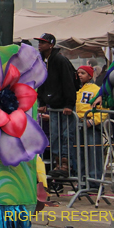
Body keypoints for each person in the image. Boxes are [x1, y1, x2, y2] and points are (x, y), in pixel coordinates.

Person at [35, 33, 77, 177]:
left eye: (43, 42)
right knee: (55, 135)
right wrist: (43, 102)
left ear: (51, 45)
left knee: (66, 134)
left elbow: (68, 82)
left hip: (64, 106)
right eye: (39, 42)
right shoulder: (44, 61)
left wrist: (69, 105)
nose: (39, 44)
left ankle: (65, 165)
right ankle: (58, 163)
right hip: (53, 106)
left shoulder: (59, 60)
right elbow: (42, 83)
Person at [75, 65, 106, 186]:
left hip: (91, 125)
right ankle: (83, 179)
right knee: (80, 153)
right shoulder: (78, 90)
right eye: (78, 73)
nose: (80, 75)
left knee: (93, 153)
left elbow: (103, 109)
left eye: (83, 73)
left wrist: (93, 121)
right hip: (79, 123)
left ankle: (95, 181)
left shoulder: (96, 89)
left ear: (90, 75)